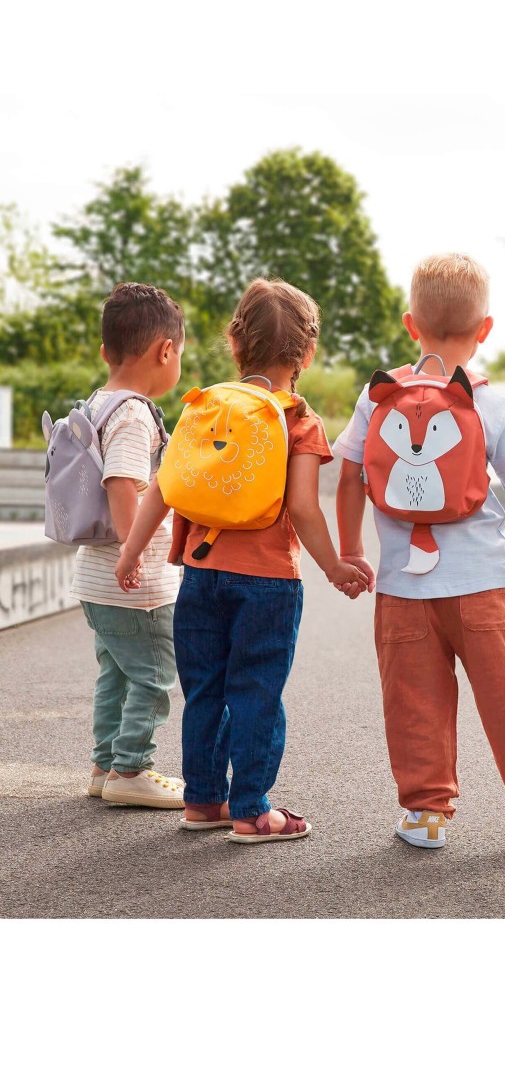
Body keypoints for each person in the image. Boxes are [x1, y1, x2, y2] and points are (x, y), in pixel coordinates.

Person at [115, 277, 368, 843]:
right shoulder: (298, 418)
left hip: (199, 578)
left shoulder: (204, 407)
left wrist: (132, 550)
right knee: (255, 692)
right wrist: (334, 566)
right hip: (269, 583)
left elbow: (163, 487)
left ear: (235, 344)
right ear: (308, 352)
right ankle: (254, 810)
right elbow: (302, 507)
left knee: (204, 690)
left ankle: (204, 800)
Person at [333, 252, 505, 848]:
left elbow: (347, 475)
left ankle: (426, 812)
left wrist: (350, 548)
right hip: (483, 581)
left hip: (402, 588)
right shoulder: (486, 403)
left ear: (410, 324)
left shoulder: (377, 396)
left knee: (414, 701)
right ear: (485, 329)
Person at [72, 282, 187, 809]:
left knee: (116, 673)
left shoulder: (95, 404)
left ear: (105, 352)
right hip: (132, 582)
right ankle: (131, 769)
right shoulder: (136, 414)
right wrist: (134, 551)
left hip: (94, 579)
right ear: (166, 351)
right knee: (156, 675)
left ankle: (103, 765)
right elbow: (122, 481)